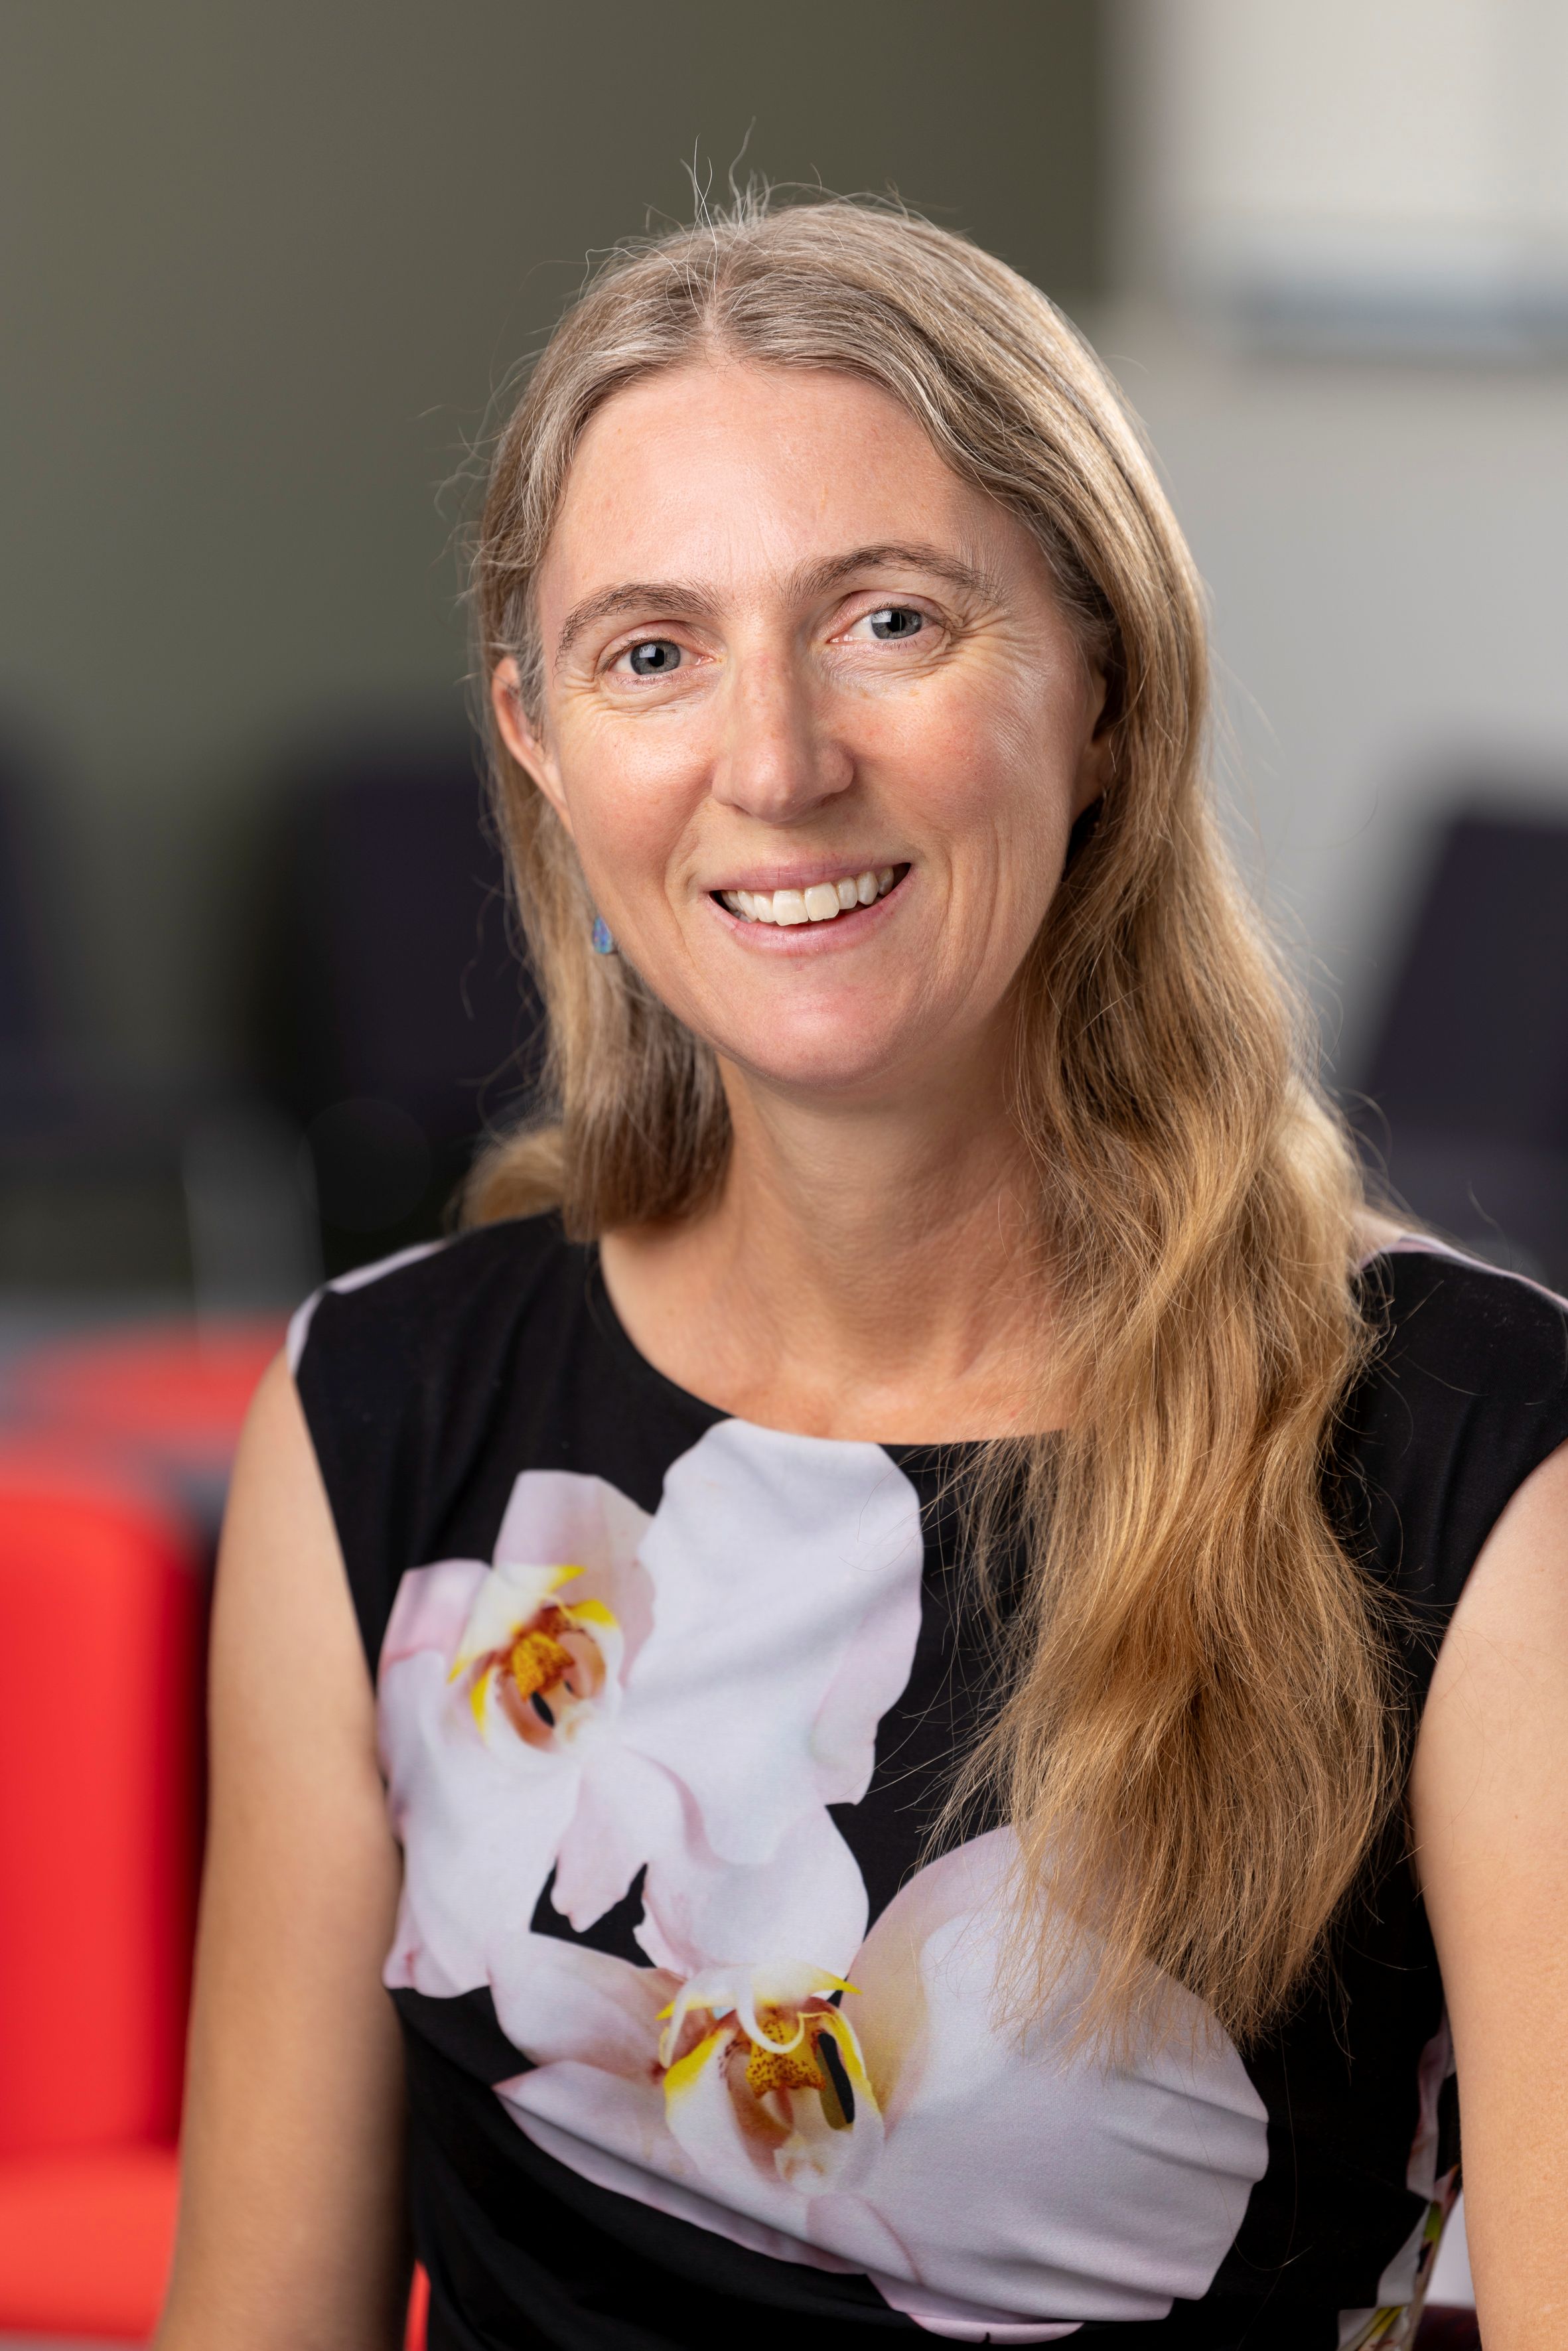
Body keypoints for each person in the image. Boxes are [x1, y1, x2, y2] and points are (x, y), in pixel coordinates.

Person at [155, 200, 1568, 2351]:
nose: (776, 762)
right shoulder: (378, 1409)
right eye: (653, 653)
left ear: (1103, 687)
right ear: (540, 745)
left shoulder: (1478, 1464)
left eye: (889, 620)